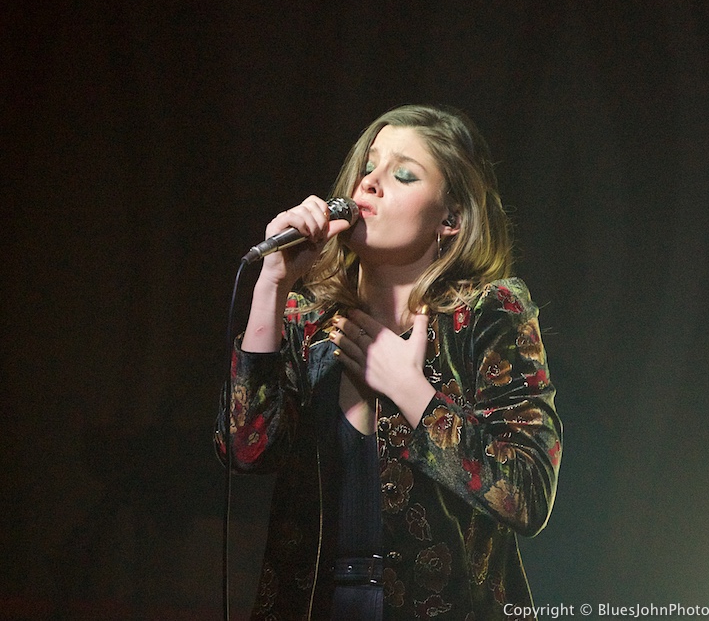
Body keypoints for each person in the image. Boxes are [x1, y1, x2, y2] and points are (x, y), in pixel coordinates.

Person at [215, 104, 562, 620]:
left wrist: (412, 392)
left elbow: (527, 495)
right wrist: (271, 286)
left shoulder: (488, 314)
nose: (370, 184)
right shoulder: (305, 319)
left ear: (452, 219)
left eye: (403, 174)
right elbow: (245, 451)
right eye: (368, 167)